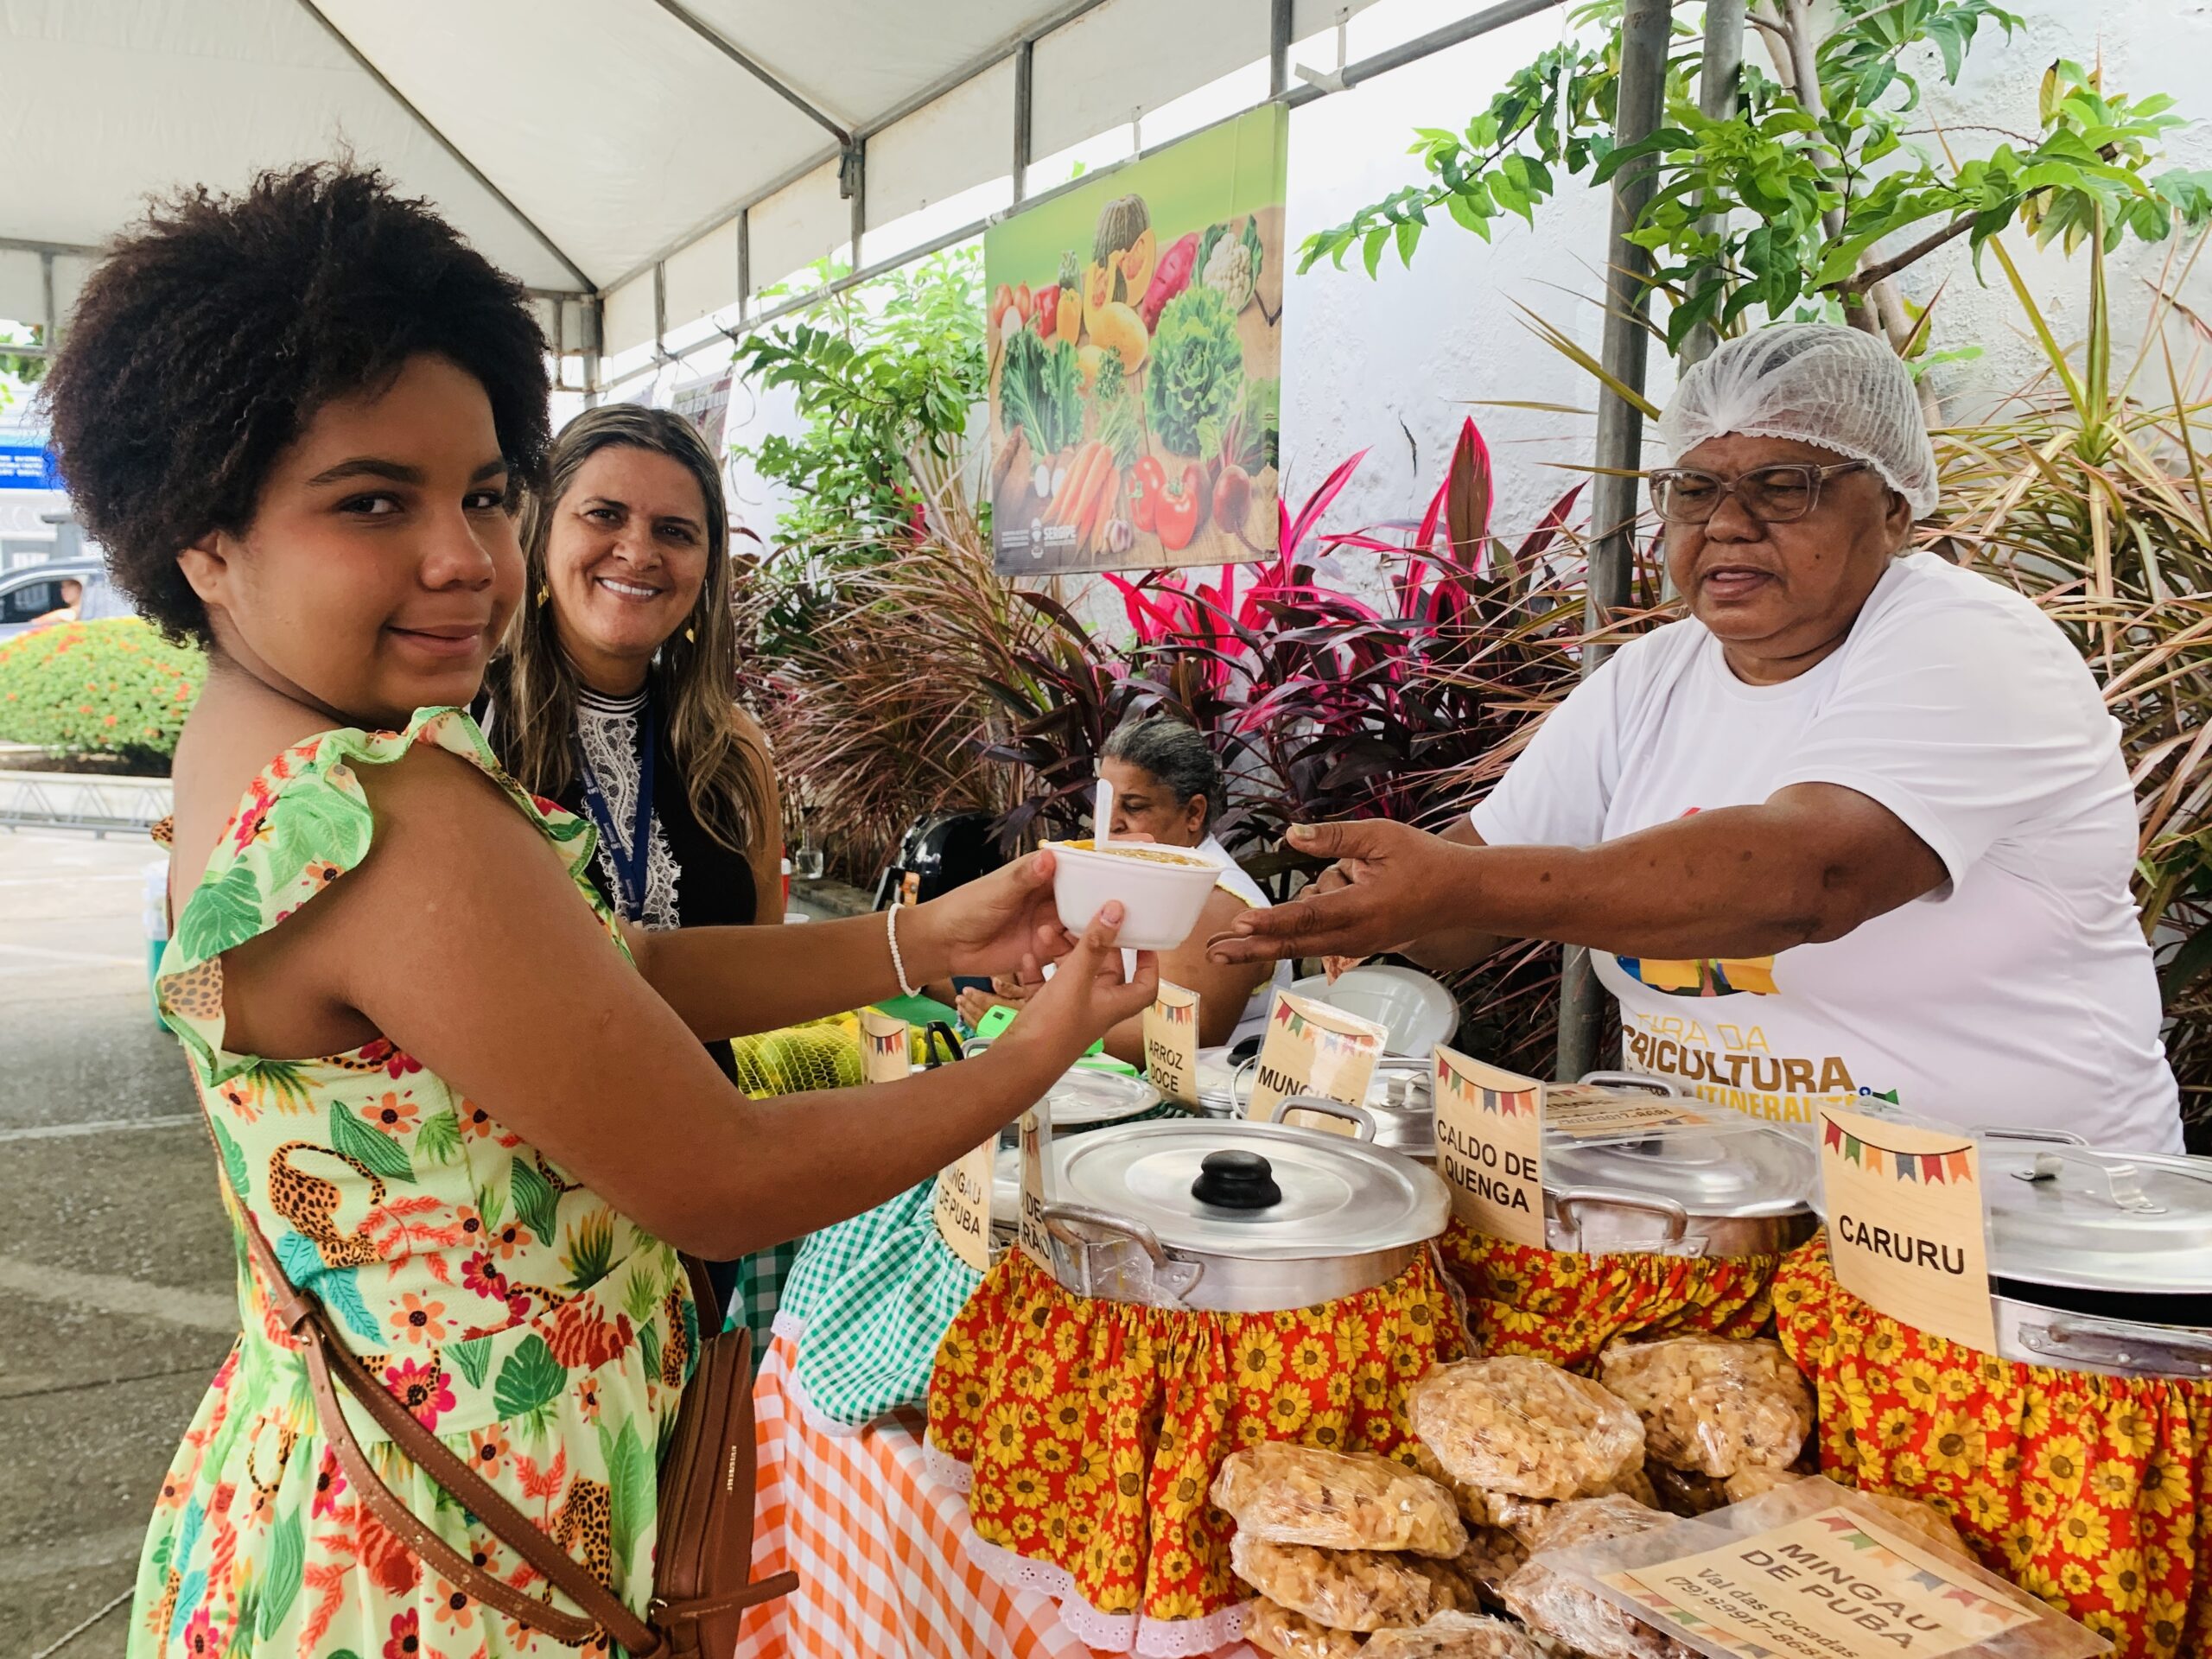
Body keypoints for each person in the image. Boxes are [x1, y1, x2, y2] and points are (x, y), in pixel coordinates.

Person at [45, 162, 1154, 1656]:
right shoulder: (386, 815)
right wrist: (1039, 1053)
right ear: (205, 536)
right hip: (455, 1567)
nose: (466, 559)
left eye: (487, 494)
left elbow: (604, 971)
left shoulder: (255, 748)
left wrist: (916, 940)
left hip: (322, 1475)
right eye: (373, 502)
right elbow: (723, 1177)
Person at [1211, 323, 2181, 1152]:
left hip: (2023, 1221)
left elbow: (1807, 884)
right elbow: (1478, 893)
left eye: (1783, 485)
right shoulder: (1652, 676)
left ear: (1892, 504)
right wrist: (1353, 911)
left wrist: (1456, 884)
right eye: (1693, 489)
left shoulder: (1967, 641)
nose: (1726, 524)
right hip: (1737, 1206)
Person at [474, 407, 780, 1322]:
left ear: (705, 567)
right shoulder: (467, 735)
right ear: (541, 534)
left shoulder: (733, 753)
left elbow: (758, 972)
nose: (638, 551)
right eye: (604, 515)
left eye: (675, 532)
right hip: (522, 1203)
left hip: (698, 1180)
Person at [958, 715, 1282, 1064]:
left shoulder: (1216, 901)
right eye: (1105, 800)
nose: (1110, 822)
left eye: (1134, 806)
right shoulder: (1132, 871)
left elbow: (1175, 1038)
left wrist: (1031, 1023)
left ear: (1193, 813)